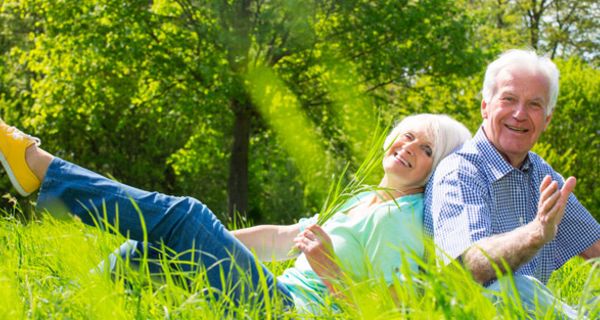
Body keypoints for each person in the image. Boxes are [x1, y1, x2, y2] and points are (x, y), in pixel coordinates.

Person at [0, 113, 470, 313]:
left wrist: (331, 270)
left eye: (426, 149)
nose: (409, 147)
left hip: (285, 311)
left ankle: (41, 169)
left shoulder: (406, 222)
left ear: (437, 169)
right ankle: (62, 306)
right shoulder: (361, 201)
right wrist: (207, 241)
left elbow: (382, 311)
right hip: (270, 292)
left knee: (186, 215)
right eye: (407, 135)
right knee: (155, 243)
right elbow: (281, 238)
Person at [424, 49, 600, 317]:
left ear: (547, 120)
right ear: (485, 107)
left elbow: (595, 247)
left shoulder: (542, 173)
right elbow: (469, 266)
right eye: (509, 99)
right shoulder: (460, 171)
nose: (519, 114)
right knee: (511, 286)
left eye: (534, 105)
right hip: (471, 312)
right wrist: (536, 233)